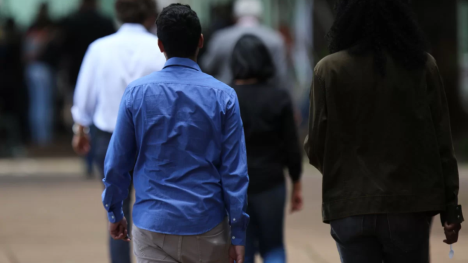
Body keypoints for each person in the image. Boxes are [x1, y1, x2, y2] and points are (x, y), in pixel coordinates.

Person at [304, 0, 464, 262]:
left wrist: (344, 175)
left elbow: (315, 146)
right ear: (400, 17)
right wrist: (450, 210)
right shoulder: (423, 67)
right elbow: (442, 146)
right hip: (409, 207)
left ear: (346, 18)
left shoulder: (328, 70)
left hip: (349, 208)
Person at [102, 4, 249, 263]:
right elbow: (235, 173)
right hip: (207, 226)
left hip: (152, 226)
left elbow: (117, 163)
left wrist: (115, 212)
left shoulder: (137, 93)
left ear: (160, 45)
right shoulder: (224, 96)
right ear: (200, 41)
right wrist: (237, 233)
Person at [71, 0, 165, 262]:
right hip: (151, 140)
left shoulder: (99, 48)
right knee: (154, 208)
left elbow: (84, 96)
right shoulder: (158, 47)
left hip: (109, 138)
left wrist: (80, 130)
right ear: (150, 14)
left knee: (116, 213)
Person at [231, 34, 303, 263]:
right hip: (271, 183)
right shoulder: (279, 97)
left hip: (235, 186)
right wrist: (297, 184)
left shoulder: (226, 96)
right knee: (273, 246)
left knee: (243, 248)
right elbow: (292, 146)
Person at [201, 0, 288, 89]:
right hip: (264, 98)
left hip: (226, 97)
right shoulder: (275, 39)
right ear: (260, 15)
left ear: (234, 16)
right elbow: (281, 76)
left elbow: (207, 66)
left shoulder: (220, 38)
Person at [23, 3, 56, 146]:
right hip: (40, 69)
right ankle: (43, 138)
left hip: (32, 69)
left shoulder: (31, 32)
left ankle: (40, 136)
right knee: (42, 104)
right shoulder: (42, 34)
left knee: (37, 103)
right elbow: (30, 54)